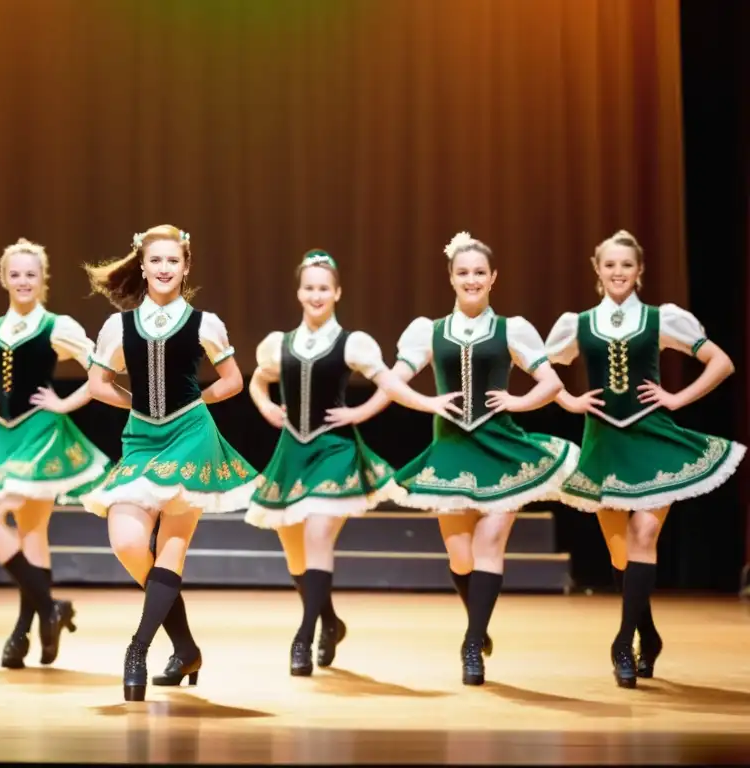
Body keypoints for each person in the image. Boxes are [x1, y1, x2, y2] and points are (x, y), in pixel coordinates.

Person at [375, 232, 578, 686]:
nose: (472, 280)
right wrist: (428, 403)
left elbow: (550, 383)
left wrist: (516, 403)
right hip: (450, 450)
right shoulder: (428, 330)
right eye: (463, 272)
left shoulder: (513, 328)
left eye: (480, 273)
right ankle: (478, 624)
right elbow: (392, 382)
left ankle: (472, 645)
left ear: (493, 278)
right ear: (451, 277)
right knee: (461, 556)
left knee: (489, 548)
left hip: (502, 448)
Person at [545, 229, 745, 688]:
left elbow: (721, 362)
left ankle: (622, 642)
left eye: (627, 265)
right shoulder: (576, 324)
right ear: (597, 270)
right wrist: (571, 401)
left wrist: (677, 398)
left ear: (640, 271)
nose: (618, 272)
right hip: (603, 444)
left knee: (644, 534)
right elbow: (542, 368)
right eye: (610, 265)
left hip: (653, 439)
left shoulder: (663, 319)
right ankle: (648, 634)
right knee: (621, 551)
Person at [81, 225, 258, 701]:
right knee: (126, 542)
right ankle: (185, 647)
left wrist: (195, 402)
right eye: (155, 260)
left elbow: (233, 380)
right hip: (141, 438)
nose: (163, 268)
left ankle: (138, 649)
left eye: (172, 261)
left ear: (186, 267)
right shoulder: (118, 326)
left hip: (191, 437)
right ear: (142, 265)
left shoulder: (206, 323)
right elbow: (99, 385)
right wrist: (137, 404)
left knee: (172, 546)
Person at [0, 237, 110, 669]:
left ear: (42, 279)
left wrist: (64, 403)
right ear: (4, 279)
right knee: (10, 526)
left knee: (10, 523)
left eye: (30, 274)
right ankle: (46, 613)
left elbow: (100, 371)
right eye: (15, 274)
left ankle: (29, 624)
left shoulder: (58, 326)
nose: (23, 281)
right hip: (4, 440)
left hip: (43, 435)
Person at [244, 250, 396, 676]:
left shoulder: (353, 342)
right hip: (292, 453)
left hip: (335, 451)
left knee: (316, 534)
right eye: (309, 287)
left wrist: (357, 413)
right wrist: (267, 407)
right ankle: (330, 621)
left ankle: (304, 635)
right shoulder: (280, 343)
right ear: (299, 292)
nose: (316, 295)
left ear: (337, 293)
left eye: (323, 288)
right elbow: (258, 379)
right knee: (295, 554)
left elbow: (388, 385)